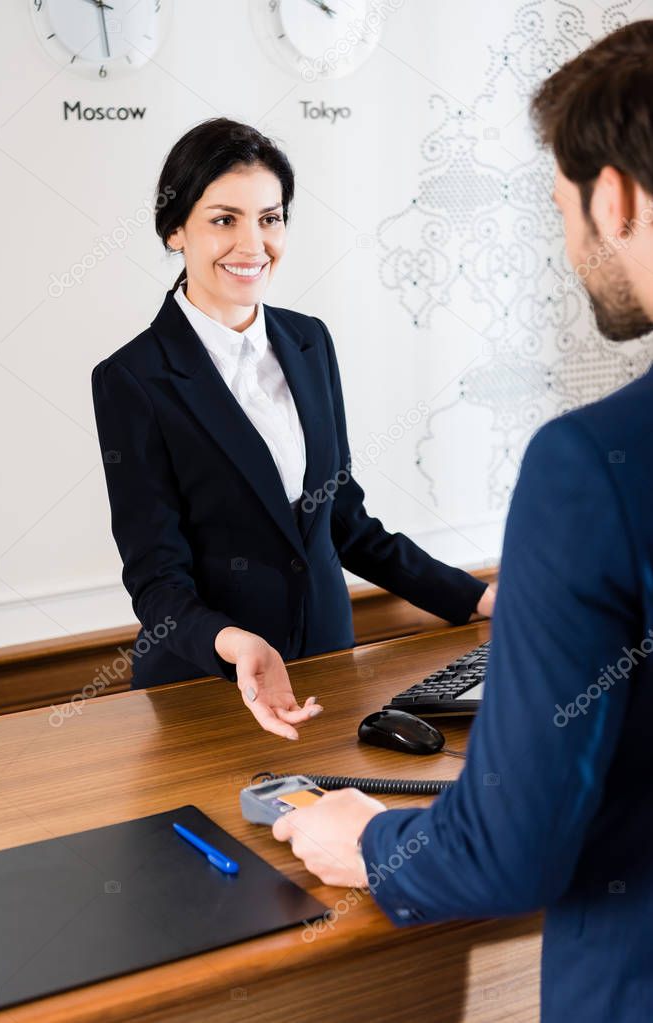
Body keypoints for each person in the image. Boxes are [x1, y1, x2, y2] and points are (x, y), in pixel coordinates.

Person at [273, 20, 653, 1021]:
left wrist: (366, 840)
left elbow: (510, 848)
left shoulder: (591, 469)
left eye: (559, 201)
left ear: (611, 197)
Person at [92, 118, 495, 740]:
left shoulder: (309, 341)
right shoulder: (134, 378)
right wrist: (235, 643)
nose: (252, 244)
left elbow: (342, 521)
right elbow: (156, 580)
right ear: (175, 231)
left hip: (329, 670)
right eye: (224, 219)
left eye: (270, 218)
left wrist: (472, 598)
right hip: (206, 687)